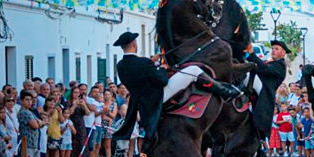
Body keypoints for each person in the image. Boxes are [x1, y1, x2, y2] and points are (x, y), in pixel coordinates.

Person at [112, 31, 240, 142]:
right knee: (194, 70)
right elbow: (162, 81)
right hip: (158, 96)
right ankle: (225, 92)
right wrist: (162, 68)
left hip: (141, 102)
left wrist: (152, 63)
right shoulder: (143, 62)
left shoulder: (121, 66)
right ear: (134, 44)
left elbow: (139, 73)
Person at [245, 40, 288, 140]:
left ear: (283, 53)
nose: (273, 51)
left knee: (244, 75)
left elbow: (264, 69)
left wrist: (252, 54)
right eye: (272, 49)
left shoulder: (280, 65)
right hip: (257, 88)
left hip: (264, 91)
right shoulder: (271, 62)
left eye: (276, 49)